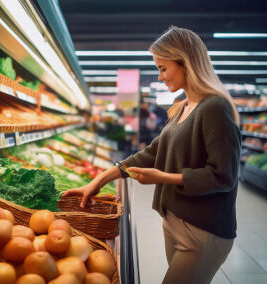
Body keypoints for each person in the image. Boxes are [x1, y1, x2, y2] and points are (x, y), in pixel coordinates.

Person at [63, 26, 241, 284]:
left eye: (163, 68)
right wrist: (97, 182)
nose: (160, 77)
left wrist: (164, 178)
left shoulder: (214, 107)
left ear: (186, 63)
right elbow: (152, 152)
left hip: (203, 228)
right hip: (175, 222)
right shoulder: (182, 108)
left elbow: (224, 176)